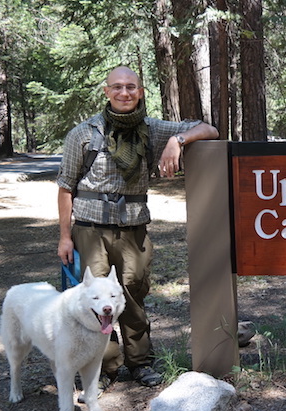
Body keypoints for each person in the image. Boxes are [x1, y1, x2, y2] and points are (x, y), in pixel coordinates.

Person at [56, 66, 219, 390]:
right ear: (107, 92)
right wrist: (64, 237)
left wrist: (177, 139)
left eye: (131, 87)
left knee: (132, 295)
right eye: (117, 87)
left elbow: (209, 130)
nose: (124, 93)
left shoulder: (153, 130)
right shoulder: (83, 134)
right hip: (90, 229)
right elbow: (65, 187)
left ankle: (140, 363)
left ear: (140, 91)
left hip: (133, 229)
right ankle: (101, 368)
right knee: (92, 301)